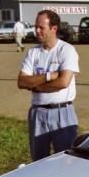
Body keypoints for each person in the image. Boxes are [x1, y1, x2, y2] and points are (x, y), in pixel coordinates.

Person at [17, 10, 79, 161]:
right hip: (38, 113)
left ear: (54, 28)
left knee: (67, 159)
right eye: (35, 27)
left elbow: (63, 82)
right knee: (38, 161)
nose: (37, 31)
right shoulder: (33, 53)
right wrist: (49, 76)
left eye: (41, 28)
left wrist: (36, 87)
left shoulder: (67, 50)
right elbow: (22, 82)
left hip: (62, 112)